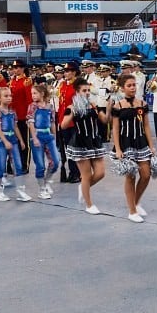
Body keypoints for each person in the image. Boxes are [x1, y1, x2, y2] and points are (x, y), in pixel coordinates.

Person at [60, 76, 108, 215]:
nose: (87, 92)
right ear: (77, 92)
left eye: (88, 90)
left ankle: (83, 188)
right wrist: (72, 114)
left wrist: (109, 107)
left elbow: (104, 120)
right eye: (84, 90)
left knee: (100, 173)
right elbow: (63, 125)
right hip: (80, 143)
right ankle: (89, 204)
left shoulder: (92, 104)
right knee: (86, 175)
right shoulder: (72, 107)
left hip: (95, 142)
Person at [111, 74, 155, 223]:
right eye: (129, 85)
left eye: (134, 85)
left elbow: (147, 126)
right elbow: (115, 129)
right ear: (122, 88)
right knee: (130, 177)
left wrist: (151, 145)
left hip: (141, 142)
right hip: (126, 143)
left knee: (146, 174)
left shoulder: (142, 104)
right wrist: (117, 148)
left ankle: (136, 202)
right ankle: (132, 211)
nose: (133, 88)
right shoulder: (118, 106)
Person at [0, 86, 32, 202]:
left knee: (18, 165)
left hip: (13, 140)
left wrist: (21, 140)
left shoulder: (12, 112)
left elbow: (15, 127)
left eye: (10, 95)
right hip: (1, 141)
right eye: (6, 96)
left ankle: (20, 191)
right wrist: (5, 141)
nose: (9, 98)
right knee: (0, 165)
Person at [27, 82, 60, 200]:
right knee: (40, 165)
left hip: (48, 136)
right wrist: (34, 137)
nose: (33, 96)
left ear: (42, 93)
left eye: (35, 93)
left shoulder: (50, 107)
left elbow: (52, 122)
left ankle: (47, 181)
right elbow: (30, 123)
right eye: (32, 93)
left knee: (55, 162)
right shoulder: (32, 107)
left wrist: (54, 137)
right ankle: (41, 189)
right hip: (37, 136)